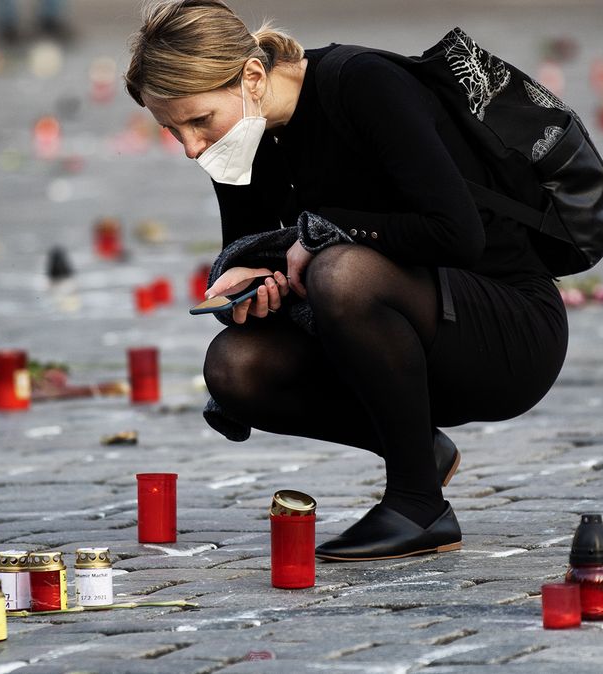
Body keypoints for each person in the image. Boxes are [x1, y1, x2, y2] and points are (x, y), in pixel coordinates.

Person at [124, 0, 567, 561]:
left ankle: (418, 504)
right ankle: (417, 453)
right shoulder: (242, 138)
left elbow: (458, 235)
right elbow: (265, 247)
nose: (191, 148)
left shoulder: (363, 84)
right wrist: (253, 283)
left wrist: (322, 233)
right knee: (234, 367)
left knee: (341, 271)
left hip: (506, 325)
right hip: (396, 341)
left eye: (198, 121)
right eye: (172, 131)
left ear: (252, 78)